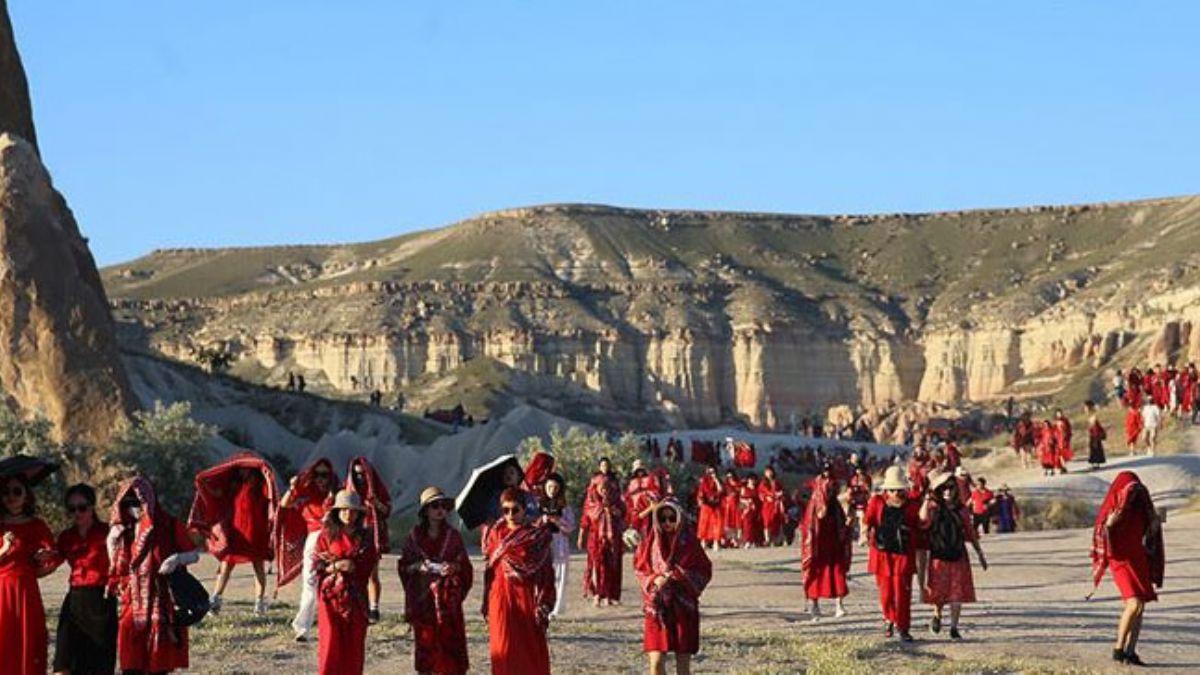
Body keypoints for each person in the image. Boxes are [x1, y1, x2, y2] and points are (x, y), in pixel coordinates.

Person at [107, 476, 202, 674]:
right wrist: (111, 543)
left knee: (158, 665)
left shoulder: (168, 524)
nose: (134, 508)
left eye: (138, 502)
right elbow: (116, 568)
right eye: (128, 504)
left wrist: (176, 559)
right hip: (132, 601)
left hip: (162, 601)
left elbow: (194, 555)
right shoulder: (124, 530)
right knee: (131, 664)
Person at [1089, 471, 1163, 666]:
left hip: (1138, 558)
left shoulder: (1140, 507)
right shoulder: (1114, 508)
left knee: (1141, 606)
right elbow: (1101, 533)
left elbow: (1150, 531)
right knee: (1134, 603)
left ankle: (1131, 651)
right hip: (1120, 560)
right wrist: (1109, 526)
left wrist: (1155, 523)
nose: (1134, 492)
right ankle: (1118, 648)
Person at [189, 454, 276, 616]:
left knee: (258, 567)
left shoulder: (261, 484)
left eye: (246, 468)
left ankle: (259, 602)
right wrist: (202, 482)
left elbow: (271, 500)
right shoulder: (233, 484)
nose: (243, 471)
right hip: (236, 531)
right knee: (226, 565)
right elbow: (216, 494)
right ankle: (216, 599)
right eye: (240, 468)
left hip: (256, 531)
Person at [399, 487, 473, 675]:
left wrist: (454, 568)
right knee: (426, 646)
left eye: (443, 505)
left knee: (450, 647)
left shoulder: (453, 536)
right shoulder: (414, 537)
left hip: (448, 602)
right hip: (424, 602)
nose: (440, 509)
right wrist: (417, 567)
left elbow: (465, 566)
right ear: (425, 511)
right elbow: (404, 566)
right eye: (434, 506)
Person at [634, 500, 712, 675]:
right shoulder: (648, 543)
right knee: (656, 663)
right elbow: (640, 569)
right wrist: (654, 579)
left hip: (683, 608)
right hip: (657, 608)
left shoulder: (690, 544)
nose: (667, 523)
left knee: (683, 666)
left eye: (671, 518)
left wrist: (679, 575)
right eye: (662, 519)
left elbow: (704, 571)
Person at [483, 487, 555, 675]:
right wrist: (486, 602)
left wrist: (544, 603)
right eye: (505, 510)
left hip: (526, 599)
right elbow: (489, 571)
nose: (510, 515)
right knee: (503, 648)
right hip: (500, 598)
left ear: (524, 509)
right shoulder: (495, 533)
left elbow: (546, 572)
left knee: (529, 650)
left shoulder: (535, 537)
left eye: (515, 510)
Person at [53, 483, 118, 675]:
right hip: (74, 600)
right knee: (63, 661)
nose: (77, 513)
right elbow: (51, 564)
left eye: (82, 507)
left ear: (92, 507)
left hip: (101, 601)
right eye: (72, 509)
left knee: (98, 662)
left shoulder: (108, 533)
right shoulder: (66, 536)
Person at [314, 490, 380, 675]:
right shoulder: (326, 535)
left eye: (352, 510)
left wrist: (353, 566)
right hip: (330, 600)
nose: (347, 514)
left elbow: (368, 564)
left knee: (354, 645)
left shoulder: (366, 537)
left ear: (359, 513)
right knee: (330, 644)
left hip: (356, 599)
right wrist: (336, 566)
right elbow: (317, 565)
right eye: (343, 510)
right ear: (336, 512)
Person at [0, 474, 58, 674]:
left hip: (26, 591)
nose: (11, 496)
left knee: (28, 640)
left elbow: (53, 559)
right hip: (1, 592)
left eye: (17, 491)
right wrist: (4, 548)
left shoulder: (37, 525)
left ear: (27, 495)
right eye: (5, 491)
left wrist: (42, 560)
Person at [920, 471, 988, 640]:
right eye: (944, 489)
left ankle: (953, 627)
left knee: (956, 593)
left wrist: (980, 554)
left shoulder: (962, 510)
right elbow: (922, 521)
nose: (948, 493)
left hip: (957, 555)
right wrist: (927, 500)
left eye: (951, 489)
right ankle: (937, 615)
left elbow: (970, 533)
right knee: (938, 591)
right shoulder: (933, 507)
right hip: (939, 556)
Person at [280, 457, 338, 641]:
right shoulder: (306, 493)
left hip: (335, 540)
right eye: (317, 474)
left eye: (325, 474)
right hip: (314, 539)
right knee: (311, 583)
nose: (321, 478)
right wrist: (292, 487)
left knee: (335, 584)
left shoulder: (338, 491)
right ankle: (302, 627)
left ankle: (332, 626)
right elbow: (284, 504)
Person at [863, 466, 920, 642]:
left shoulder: (912, 504)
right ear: (886, 489)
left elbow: (919, 525)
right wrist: (864, 534)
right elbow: (868, 521)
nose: (895, 493)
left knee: (902, 593)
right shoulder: (877, 501)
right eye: (892, 489)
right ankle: (889, 619)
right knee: (886, 593)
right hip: (882, 554)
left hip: (903, 554)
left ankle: (903, 627)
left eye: (899, 490)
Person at [800, 464, 851, 620]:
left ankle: (839, 604)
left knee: (838, 572)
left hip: (833, 544)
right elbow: (809, 527)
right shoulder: (813, 503)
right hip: (817, 546)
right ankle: (814, 605)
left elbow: (842, 526)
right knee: (816, 572)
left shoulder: (835, 506)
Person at [346, 456, 392, 624]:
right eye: (357, 475)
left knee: (372, 573)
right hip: (354, 535)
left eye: (363, 474)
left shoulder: (377, 490)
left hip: (372, 533)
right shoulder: (349, 492)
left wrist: (376, 503)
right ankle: (357, 605)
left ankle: (374, 608)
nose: (360, 479)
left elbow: (387, 510)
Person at [579, 471, 626, 606]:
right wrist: (581, 536)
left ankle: (610, 595)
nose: (604, 491)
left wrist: (614, 511)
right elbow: (585, 519)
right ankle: (597, 594)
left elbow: (624, 514)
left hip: (613, 538)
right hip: (595, 538)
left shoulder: (616, 500)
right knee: (597, 565)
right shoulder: (591, 501)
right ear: (596, 488)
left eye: (607, 488)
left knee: (612, 566)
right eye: (602, 488)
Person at [538, 473, 575, 617]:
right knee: (544, 576)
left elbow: (571, 527)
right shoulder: (539, 504)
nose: (552, 490)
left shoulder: (565, 507)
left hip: (560, 545)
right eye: (549, 487)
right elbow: (532, 523)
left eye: (555, 487)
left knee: (560, 577)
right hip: (544, 545)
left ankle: (558, 608)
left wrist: (558, 521)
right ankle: (544, 604)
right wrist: (543, 520)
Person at [624, 460, 662, 534]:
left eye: (641, 470)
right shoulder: (632, 483)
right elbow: (629, 498)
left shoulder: (650, 479)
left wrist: (652, 502)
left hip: (650, 510)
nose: (640, 472)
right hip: (637, 510)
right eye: (638, 470)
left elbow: (656, 492)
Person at [695, 466, 724, 550]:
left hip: (716, 506)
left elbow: (721, 490)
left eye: (713, 472)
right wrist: (701, 500)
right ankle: (703, 542)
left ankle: (716, 542)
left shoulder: (718, 481)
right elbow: (701, 493)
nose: (711, 474)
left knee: (717, 524)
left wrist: (716, 479)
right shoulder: (704, 481)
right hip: (707, 506)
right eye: (710, 472)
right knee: (705, 524)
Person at [758, 466, 786, 546]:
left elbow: (782, 491)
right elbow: (763, 493)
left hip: (776, 505)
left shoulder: (776, 482)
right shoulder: (763, 483)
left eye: (770, 471)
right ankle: (767, 539)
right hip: (767, 505)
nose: (769, 473)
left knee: (777, 521)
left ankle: (776, 539)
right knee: (767, 522)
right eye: (767, 472)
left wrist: (780, 495)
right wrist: (773, 495)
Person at [737, 474, 763, 549]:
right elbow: (741, 499)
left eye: (754, 480)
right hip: (747, 510)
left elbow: (760, 499)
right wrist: (747, 502)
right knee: (747, 525)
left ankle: (754, 541)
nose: (752, 481)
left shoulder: (757, 489)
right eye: (751, 479)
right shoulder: (744, 488)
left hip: (756, 509)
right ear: (748, 480)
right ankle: (748, 541)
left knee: (755, 526)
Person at [720, 470, 742, 547]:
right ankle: (729, 540)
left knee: (737, 523)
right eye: (728, 477)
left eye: (731, 476)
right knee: (728, 523)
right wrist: (727, 499)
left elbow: (741, 494)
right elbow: (722, 495)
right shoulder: (725, 485)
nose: (730, 478)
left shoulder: (739, 484)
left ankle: (736, 540)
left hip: (737, 506)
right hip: (728, 506)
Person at [1085, 401, 1107, 469]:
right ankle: (1094, 463)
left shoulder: (1093, 415)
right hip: (1093, 435)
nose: (1085, 409)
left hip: (1095, 435)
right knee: (1093, 449)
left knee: (1096, 449)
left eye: (1086, 408)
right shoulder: (1090, 415)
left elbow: (1096, 426)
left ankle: (1096, 463)